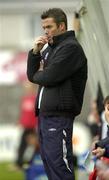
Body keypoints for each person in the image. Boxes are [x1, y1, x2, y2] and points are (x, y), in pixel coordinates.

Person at [27, 8, 87, 180]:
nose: (45, 31)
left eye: (49, 26)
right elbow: (33, 76)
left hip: (59, 117)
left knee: (60, 166)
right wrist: (35, 53)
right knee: (49, 165)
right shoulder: (49, 49)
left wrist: (40, 76)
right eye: (44, 27)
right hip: (45, 116)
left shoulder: (71, 48)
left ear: (61, 26)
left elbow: (49, 77)